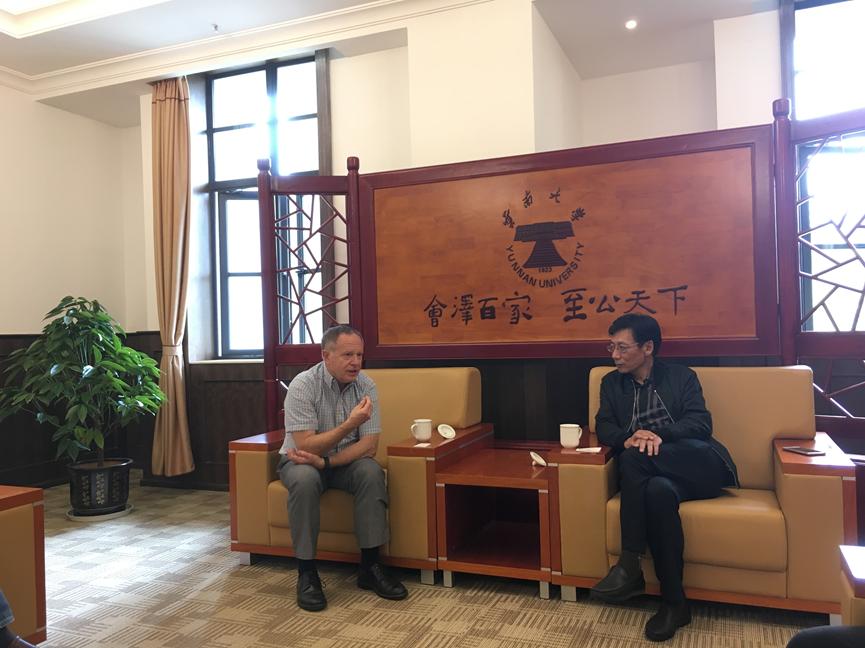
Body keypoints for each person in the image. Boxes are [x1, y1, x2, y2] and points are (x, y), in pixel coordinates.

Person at [589, 313, 738, 642]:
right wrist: (628, 438)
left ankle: (629, 563)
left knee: (634, 458)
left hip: (696, 464)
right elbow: (604, 426)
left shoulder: (682, 377)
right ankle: (674, 604)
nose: (615, 355)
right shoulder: (611, 383)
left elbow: (700, 424)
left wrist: (659, 435)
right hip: (654, 474)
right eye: (611, 347)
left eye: (622, 347)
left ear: (648, 347)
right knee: (656, 491)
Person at [278, 325, 407, 612]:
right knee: (304, 478)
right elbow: (306, 446)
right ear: (326, 356)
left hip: (341, 462)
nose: (356, 362)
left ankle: (370, 567)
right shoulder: (303, 385)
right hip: (300, 460)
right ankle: (307, 573)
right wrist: (350, 425)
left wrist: (327, 462)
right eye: (348, 355)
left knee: (370, 472)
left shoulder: (366, 385)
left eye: (359, 355)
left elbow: (370, 445)